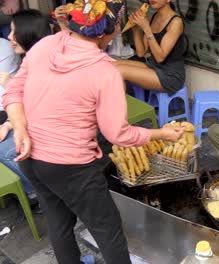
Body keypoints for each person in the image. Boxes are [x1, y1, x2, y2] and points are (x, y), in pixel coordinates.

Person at [3, 1, 184, 263]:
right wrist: (162, 135)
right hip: (72, 167)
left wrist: (19, 128)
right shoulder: (104, 71)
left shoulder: (46, 44)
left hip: (31, 157)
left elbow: (14, 90)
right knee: (108, 231)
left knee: (59, 222)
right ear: (107, 32)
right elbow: (118, 135)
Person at [0, 9, 51, 203]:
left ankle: (36, 192)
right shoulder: (30, 59)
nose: (9, 36)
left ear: (28, 33)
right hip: (26, 116)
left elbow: (36, 106)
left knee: (4, 151)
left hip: (48, 127)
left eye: (14, 32)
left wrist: (8, 125)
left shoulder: (42, 63)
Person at [113, 0, 185, 94]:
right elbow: (141, 53)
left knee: (119, 71)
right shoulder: (154, 17)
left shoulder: (176, 22)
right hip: (153, 66)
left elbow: (160, 57)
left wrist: (146, 28)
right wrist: (135, 27)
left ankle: (117, 107)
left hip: (170, 75)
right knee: (111, 64)